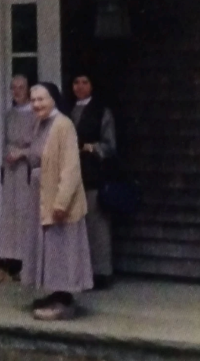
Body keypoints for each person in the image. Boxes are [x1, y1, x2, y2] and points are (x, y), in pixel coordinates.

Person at [20, 82, 93, 320]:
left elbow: (71, 167)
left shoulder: (64, 125)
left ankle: (64, 301)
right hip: (41, 193)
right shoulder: (40, 123)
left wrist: (61, 203)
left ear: (53, 99)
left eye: (41, 99)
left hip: (59, 197)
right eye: (33, 100)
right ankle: (55, 292)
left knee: (63, 247)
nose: (36, 104)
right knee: (49, 248)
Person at [70, 73, 117, 288]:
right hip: (74, 172)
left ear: (92, 85)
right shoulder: (69, 111)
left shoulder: (102, 112)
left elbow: (110, 145)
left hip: (94, 173)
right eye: (76, 83)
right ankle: (82, 272)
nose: (80, 87)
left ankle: (101, 273)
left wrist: (93, 148)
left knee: (97, 225)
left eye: (85, 82)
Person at [0, 74, 38, 275]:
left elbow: (40, 145)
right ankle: (11, 258)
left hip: (27, 169)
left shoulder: (36, 115)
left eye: (21, 87)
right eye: (13, 88)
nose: (17, 91)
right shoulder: (9, 115)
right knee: (10, 213)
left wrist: (23, 154)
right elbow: (5, 141)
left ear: (28, 90)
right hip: (11, 168)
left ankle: (26, 259)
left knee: (25, 211)